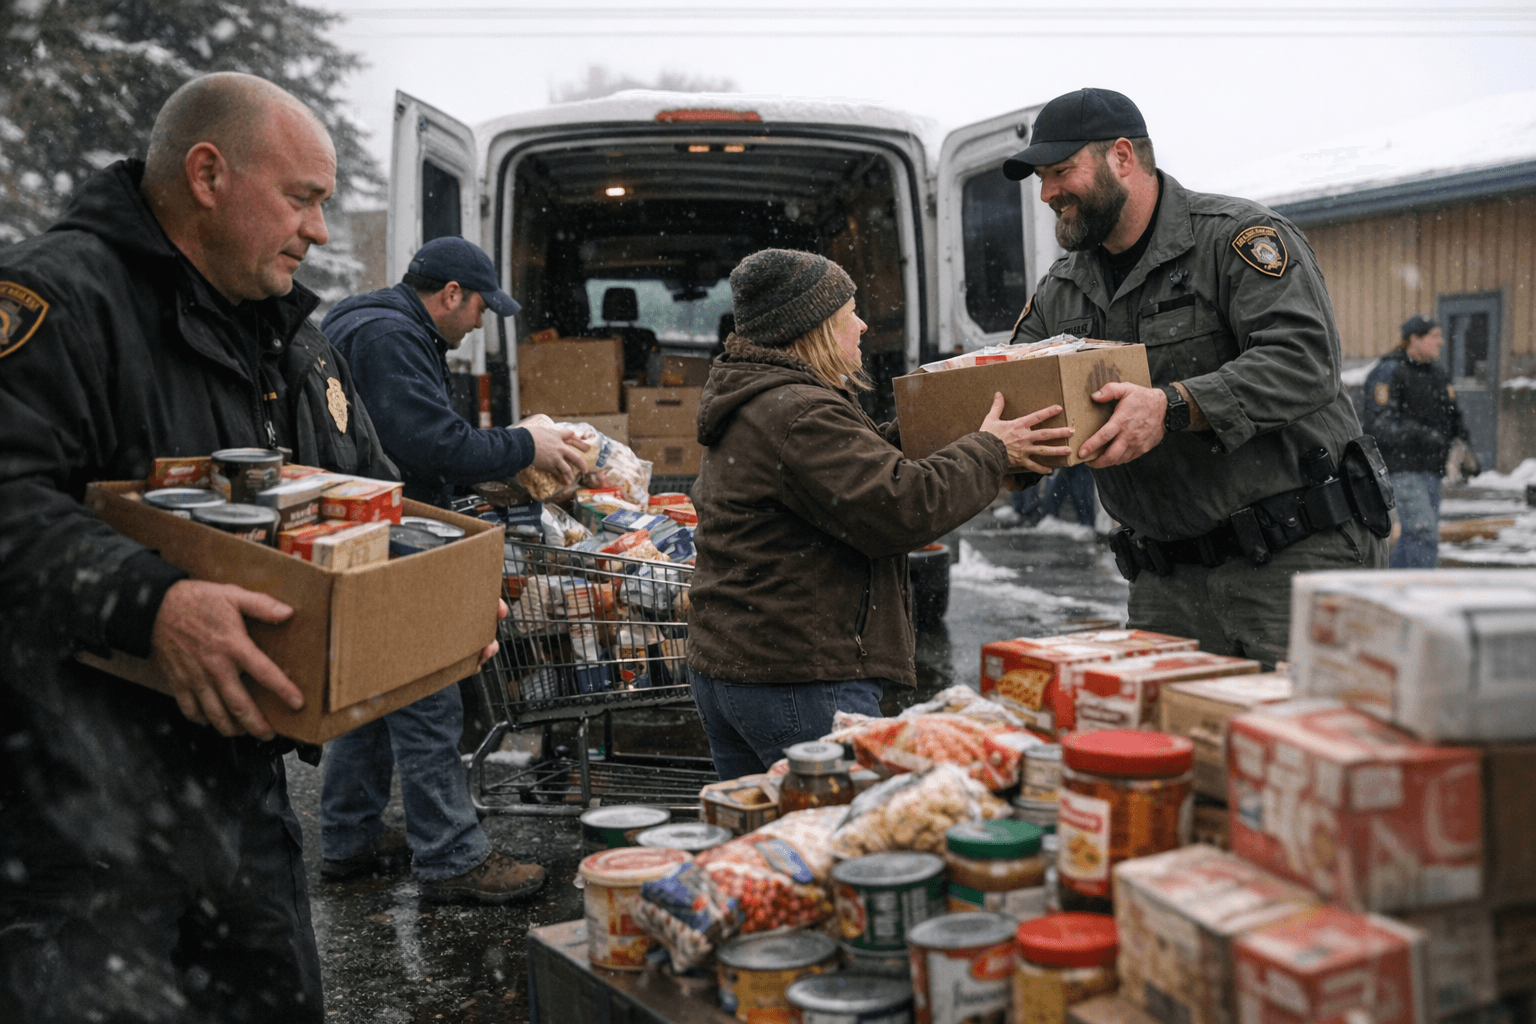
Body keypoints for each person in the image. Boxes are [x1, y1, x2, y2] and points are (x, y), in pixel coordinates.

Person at [0, 73, 397, 1022]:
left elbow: (366, 491)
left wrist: (430, 597)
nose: (318, 231)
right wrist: (156, 604)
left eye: (325, 205)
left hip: (239, 810)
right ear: (208, 174)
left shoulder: (293, 336)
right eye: (301, 198)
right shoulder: (56, 300)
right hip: (75, 823)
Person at [1004, 88, 1387, 668]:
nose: (1047, 192)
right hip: (1164, 587)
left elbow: (1303, 358)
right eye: (1041, 178)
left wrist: (1174, 405)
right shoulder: (1063, 287)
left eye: (1061, 171)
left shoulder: (1236, 240)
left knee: (1288, 751)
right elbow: (1010, 388)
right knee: (1176, 753)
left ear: (1123, 157)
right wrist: (993, 453)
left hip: (1288, 567)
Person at [686, 249, 1075, 779]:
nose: (864, 325)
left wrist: (943, 423)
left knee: (770, 846)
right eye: (850, 312)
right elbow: (901, 506)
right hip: (799, 679)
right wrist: (990, 452)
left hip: (742, 670)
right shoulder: (799, 411)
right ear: (814, 327)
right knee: (836, 845)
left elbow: (855, 474)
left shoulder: (766, 399)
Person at [315, 237, 588, 902]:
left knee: (372, 689)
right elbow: (425, 441)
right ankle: (450, 857)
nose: (479, 326)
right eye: (479, 310)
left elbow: (402, 444)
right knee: (424, 689)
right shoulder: (388, 337)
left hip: (364, 524)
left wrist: (487, 474)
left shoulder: (372, 322)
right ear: (451, 295)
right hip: (389, 534)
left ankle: (348, 838)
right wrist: (527, 443)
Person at [1361, 314, 1474, 568]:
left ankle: (1394, 588)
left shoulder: (1437, 374)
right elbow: (1379, 423)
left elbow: (1453, 414)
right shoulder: (1389, 372)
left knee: (1417, 534)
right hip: (1402, 467)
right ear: (1415, 339)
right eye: (1434, 336)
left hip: (1431, 468)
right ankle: (1421, 593)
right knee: (1423, 533)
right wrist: (1422, 434)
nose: (1441, 342)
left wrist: (1463, 447)